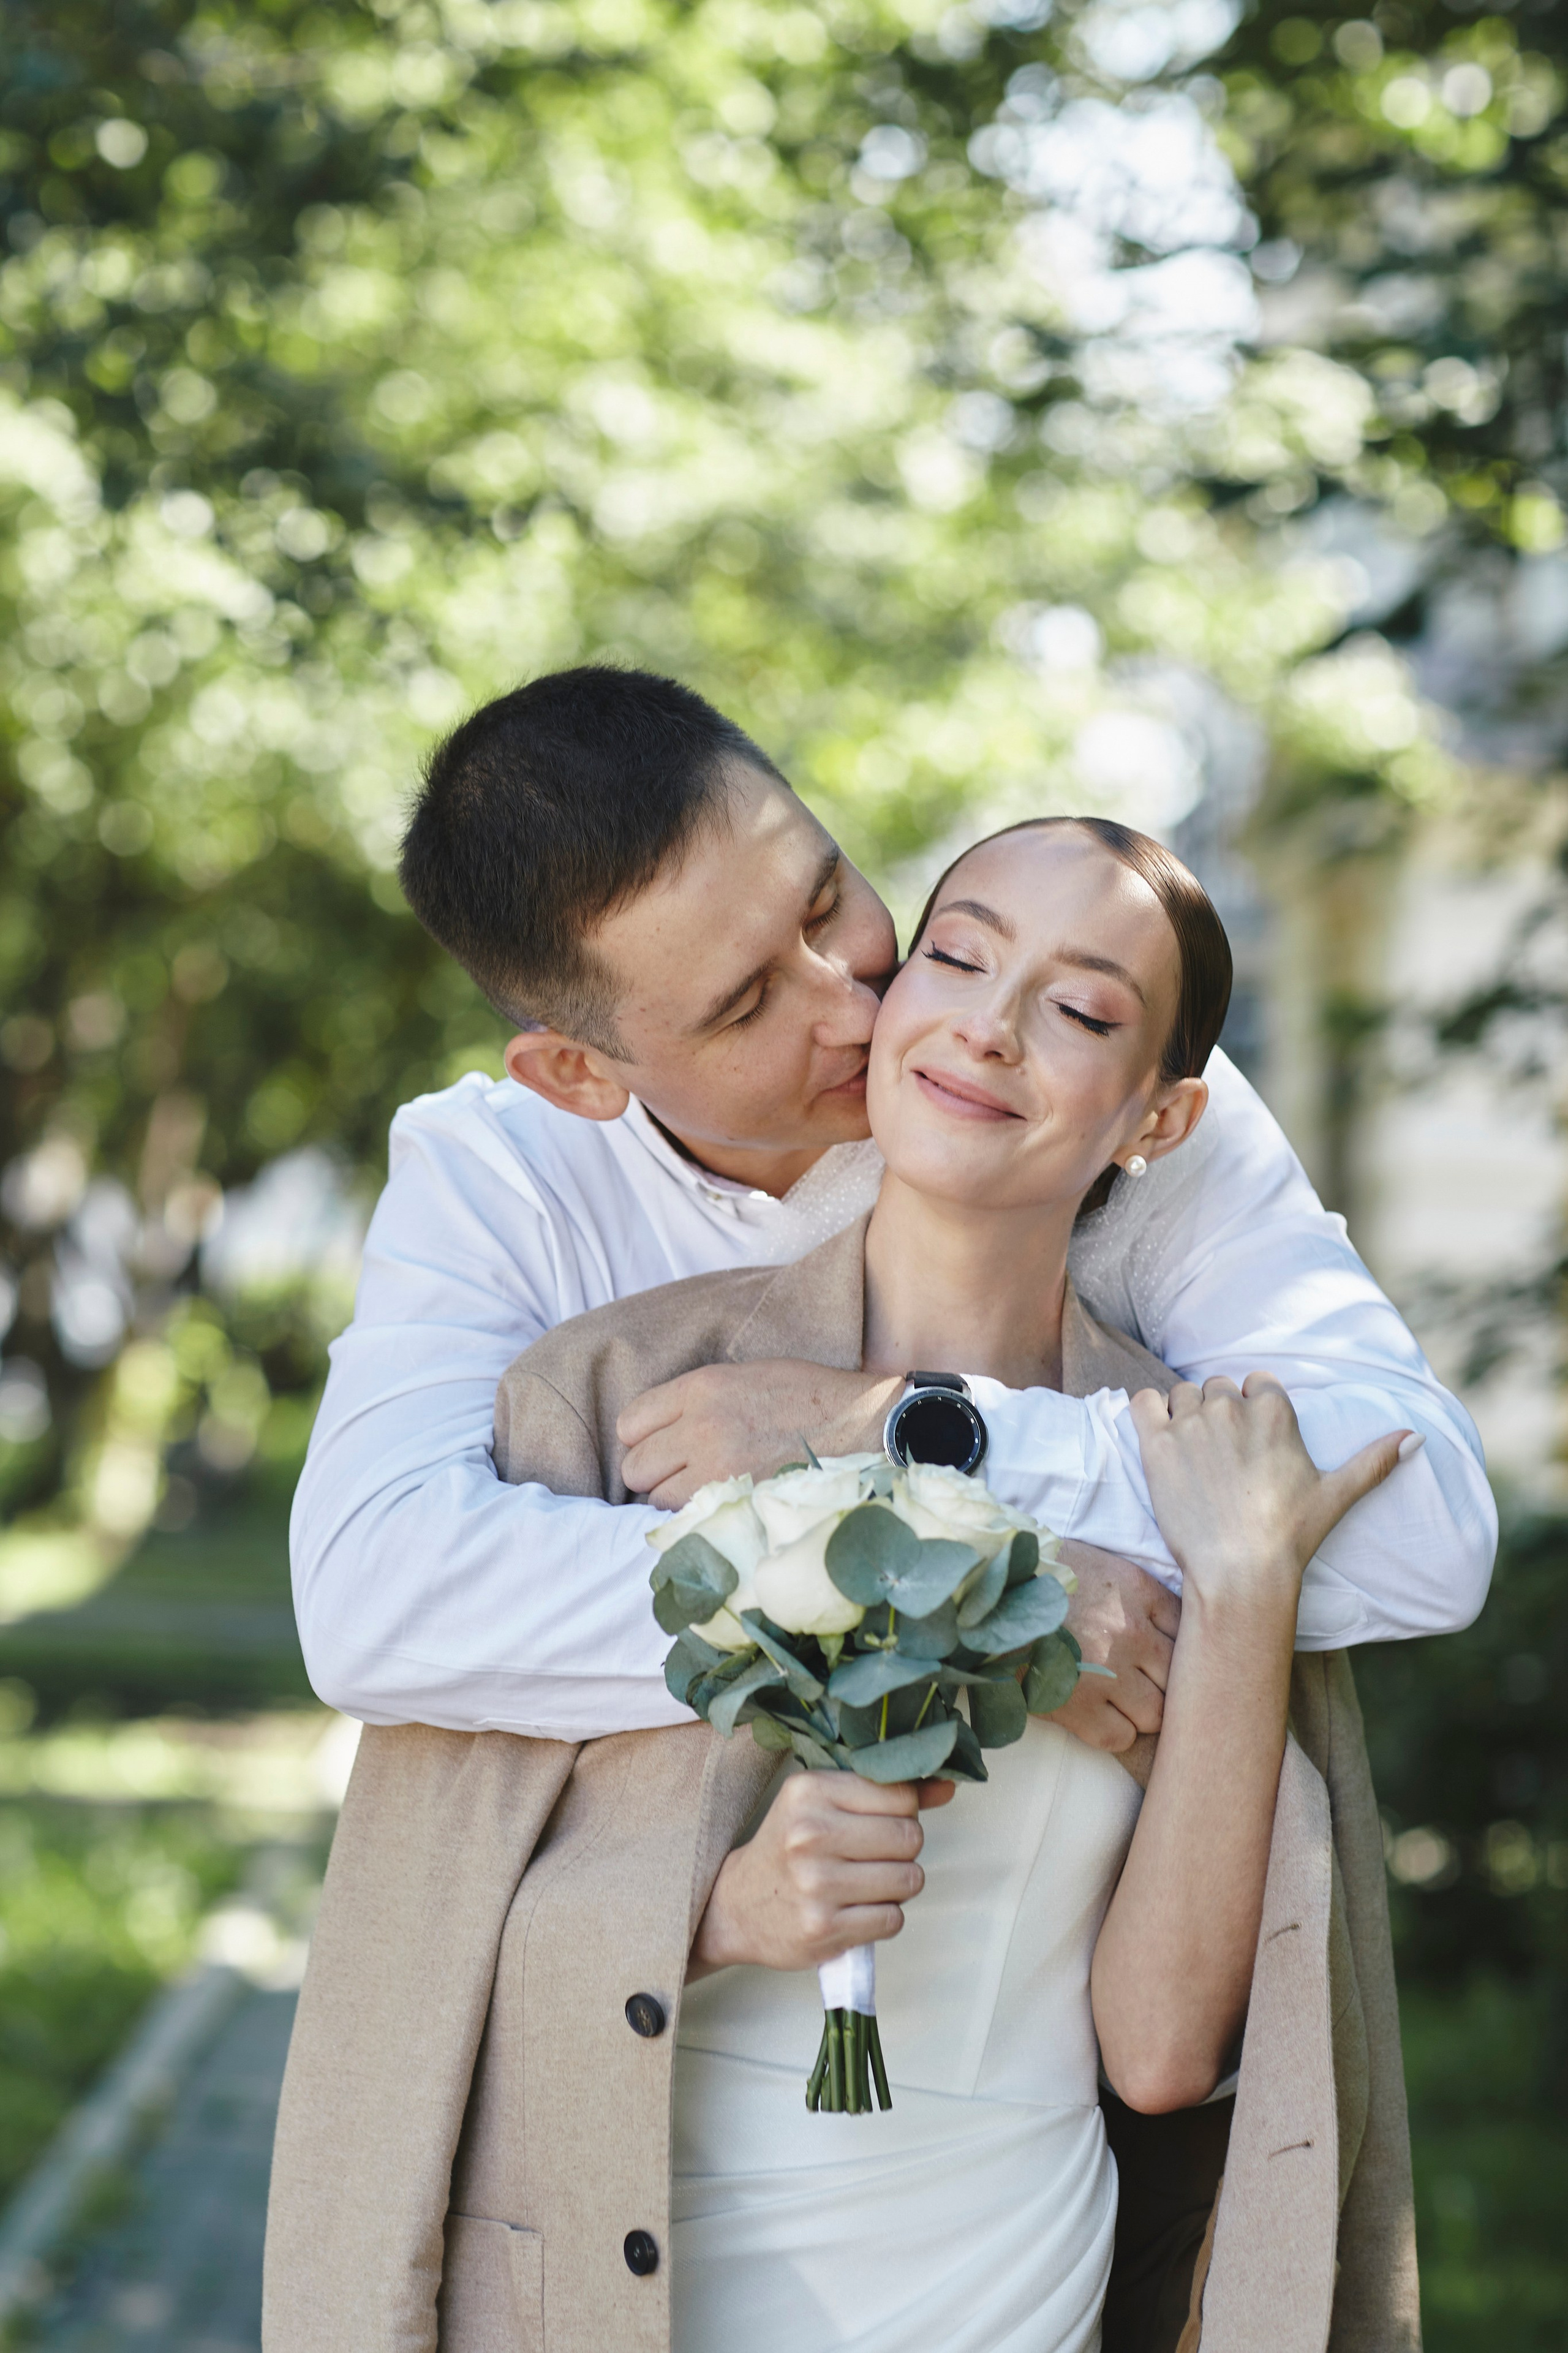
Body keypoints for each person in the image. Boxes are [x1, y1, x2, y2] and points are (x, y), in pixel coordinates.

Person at [265, 818, 1420, 2353]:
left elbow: (1155, 2053)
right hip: (655, 2270)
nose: (986, 1026)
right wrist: (723, 1905)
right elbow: (419, 1929)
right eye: (953, 957)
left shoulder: (1192, 1476)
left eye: (1077, 1012)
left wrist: (1247, 1581)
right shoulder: (619, 1395)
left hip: (1009, 2276)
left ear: (1159, 1118)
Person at [291, 667, 1493, 1765]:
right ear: (579, 1074)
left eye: (826, 904)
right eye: (749, 1001)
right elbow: (377, 1601)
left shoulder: (1078, 1087)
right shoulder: (500, 1173)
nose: (855, 1003)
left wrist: (921, 1436)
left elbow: (1420, 1520)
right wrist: (954, 1577)